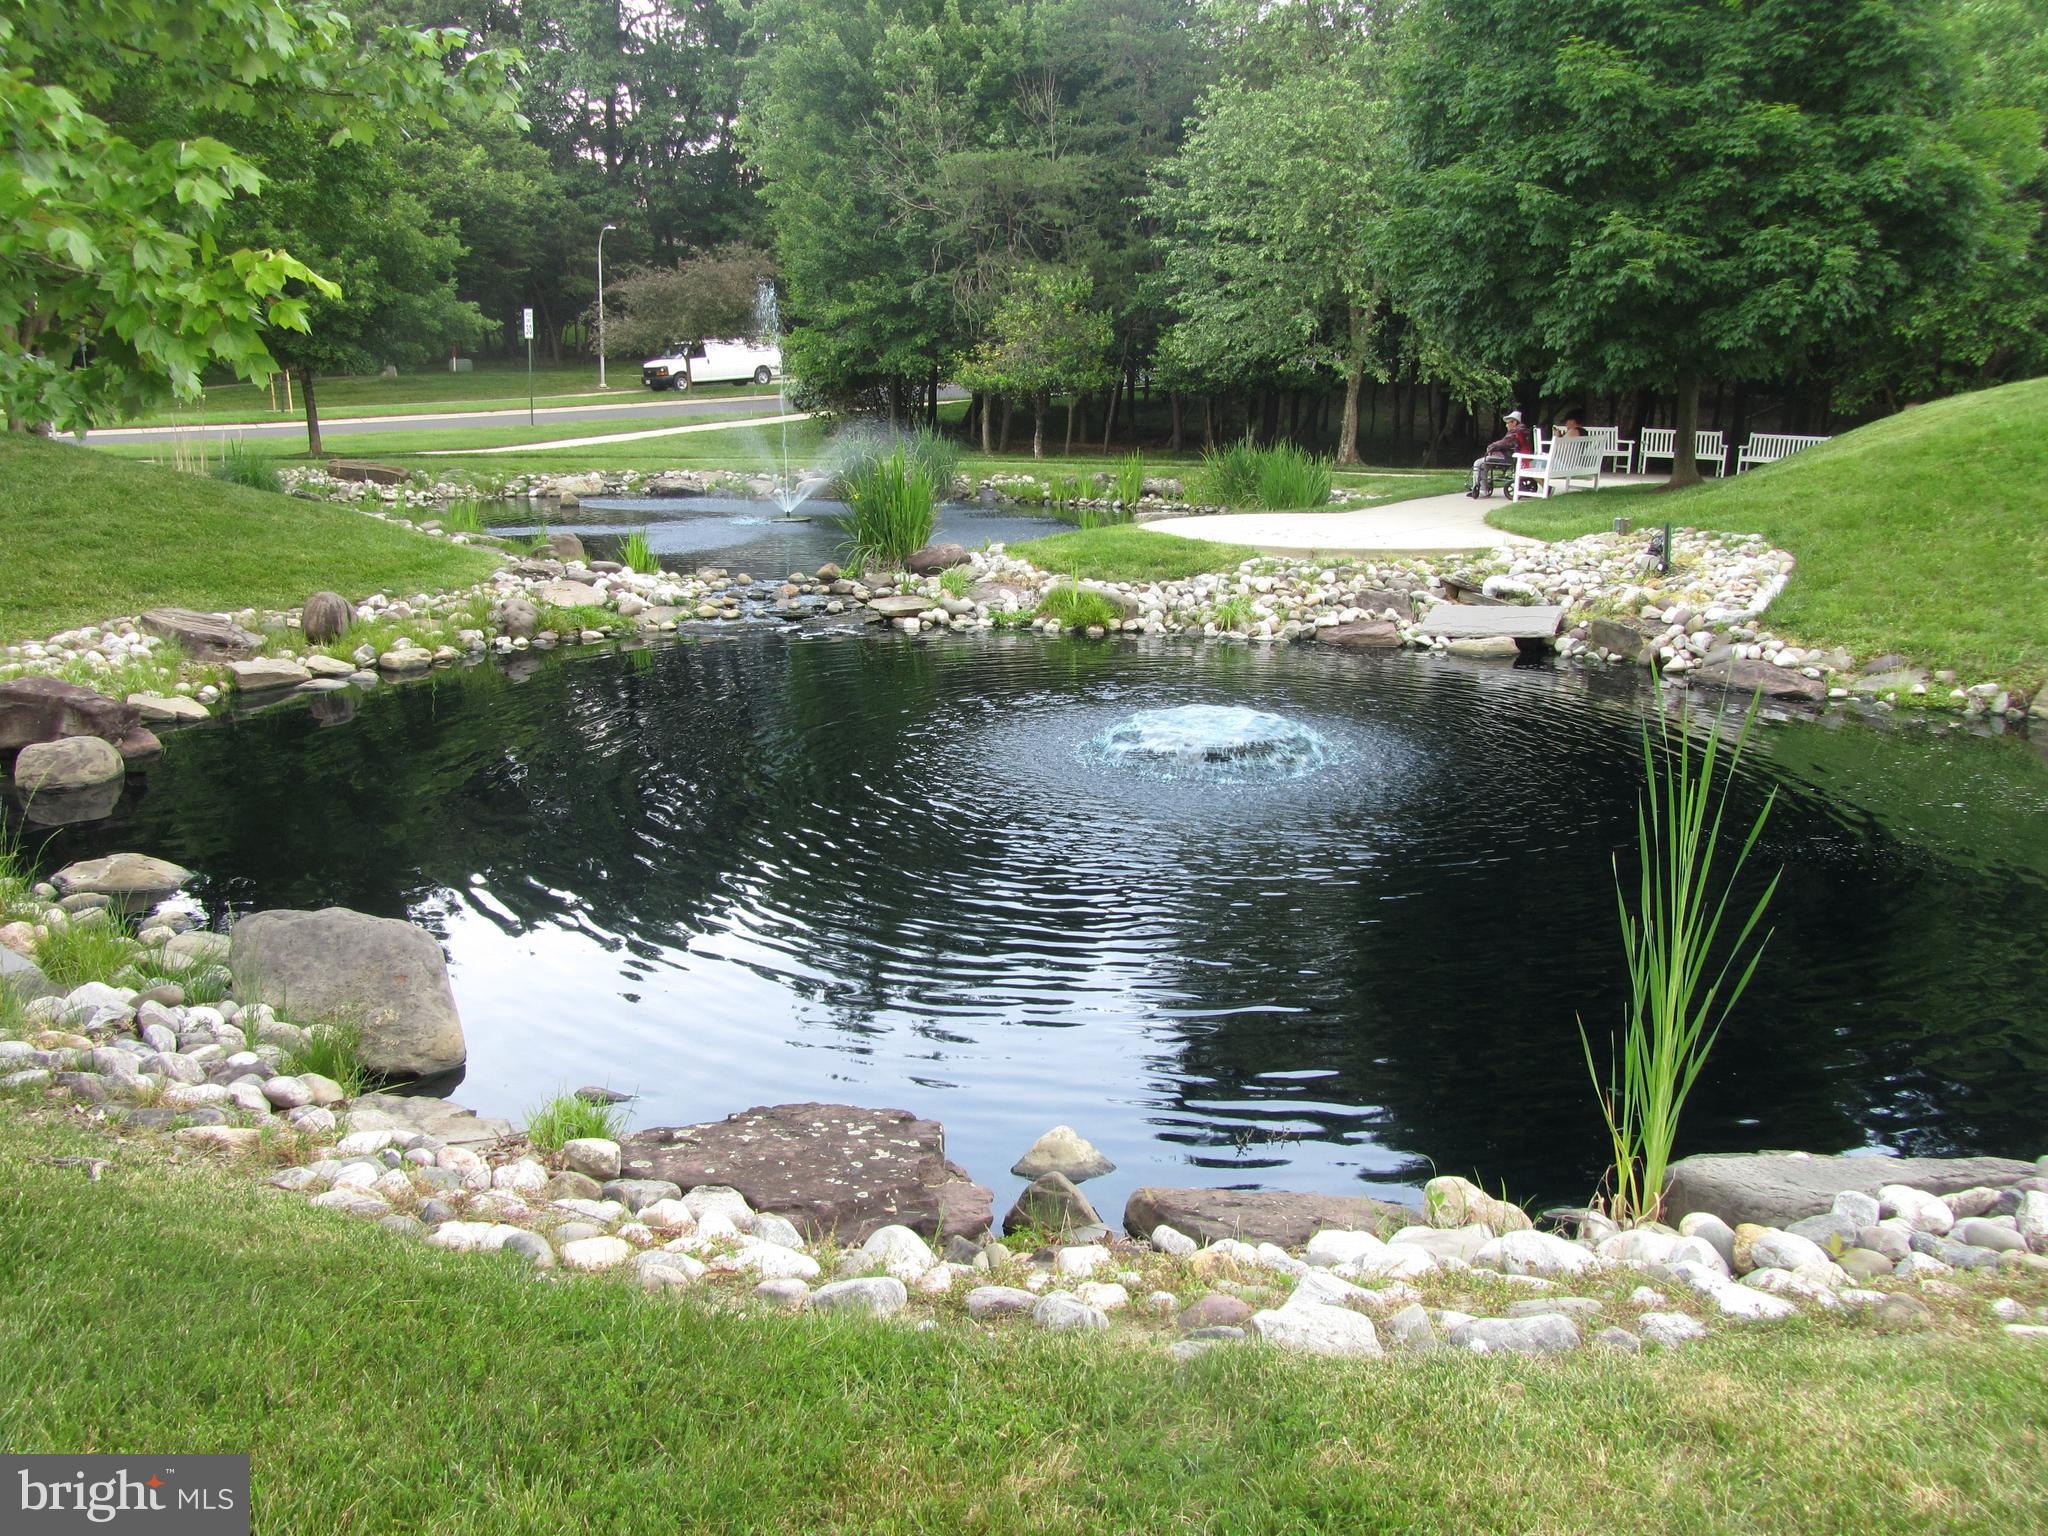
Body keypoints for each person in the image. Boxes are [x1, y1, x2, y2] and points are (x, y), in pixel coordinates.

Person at [1467, 410, 1531, 497]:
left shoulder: (1515, 433)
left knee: (1478, 463)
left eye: (1508, 423)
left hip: (1507, 457)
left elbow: (1503, 443)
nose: (1506, 425)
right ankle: (1482, 487)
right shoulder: (1520, 431)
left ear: (1514, 422)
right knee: (1484, 463)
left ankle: (1482, 489)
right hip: (1512, 456)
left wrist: (1491, 447)